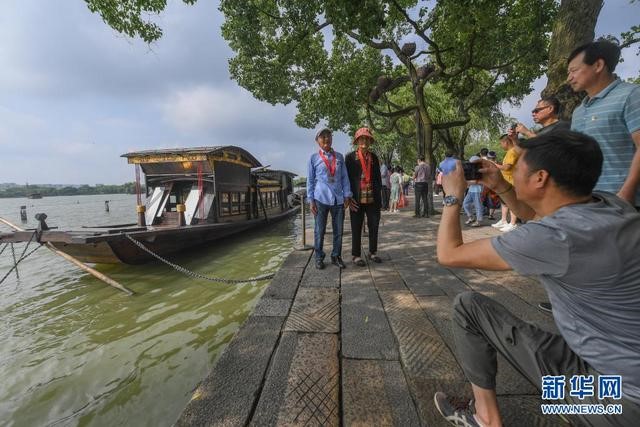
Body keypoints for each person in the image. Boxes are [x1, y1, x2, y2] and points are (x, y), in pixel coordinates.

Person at [434, 130, 640, 427]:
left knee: (468, 308)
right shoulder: (612, 206)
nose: (510, 168)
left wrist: (452, 197)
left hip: (617, 399)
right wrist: (502, 187)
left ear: (540, 178)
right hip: (616, 365)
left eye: (517, 166)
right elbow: (539, 215)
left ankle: (486, 419)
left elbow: (449, 254)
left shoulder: (555, 237)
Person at [567, 40, 640, 209]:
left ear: (598, 65)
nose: (569, 78)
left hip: (626, 204)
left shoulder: (631, 95)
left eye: (574, 71)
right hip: (588, 203)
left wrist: (625, 194)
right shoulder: (578, 111)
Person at [306, 128, 352, 270]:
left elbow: (344, 177)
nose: (326, 139)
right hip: (320, 199)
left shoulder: (339, 157)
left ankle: (336, 256)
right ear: (317, 141)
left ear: (332, 138)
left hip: (338, 199)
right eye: (322, 137)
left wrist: (347, 195)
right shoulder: (313, 158)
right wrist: (311, 200)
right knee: (319, 230)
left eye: (328, 136)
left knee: (338, 230)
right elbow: (310, 181)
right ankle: (319, 257)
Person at [345, 127, 383, 266]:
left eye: (367, 139)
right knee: (356, 226)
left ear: (370, 141)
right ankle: (356, 255)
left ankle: (373, 252)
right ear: (357, 141)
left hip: (372, 198)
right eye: (362, 139)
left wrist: (381, 198)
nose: (364, 141)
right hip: (356, 198)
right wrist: (348, 197)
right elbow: (346, 179)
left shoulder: (374, 157)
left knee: (374, 226)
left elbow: (378, 178)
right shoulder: (349, 157)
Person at [491, 134, 519, 232]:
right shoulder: (508, 152)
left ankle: (513, 223)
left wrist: (494, 164)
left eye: (501, 143)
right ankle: (503, 220)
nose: (501, 146)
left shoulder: (512, 152)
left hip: (511, 182)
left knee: (512, 203)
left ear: (506, 142)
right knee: (504, 202)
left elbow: (507, 167)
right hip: (506, 182)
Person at [462, 155, 484, 227]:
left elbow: (483, 182)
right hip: (471, 190)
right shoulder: (471, 170)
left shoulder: (481, 170)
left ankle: (479, 221)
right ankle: (471, 217)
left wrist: (472, 182)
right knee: (465, 203)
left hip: (478, 190)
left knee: (478, 206)